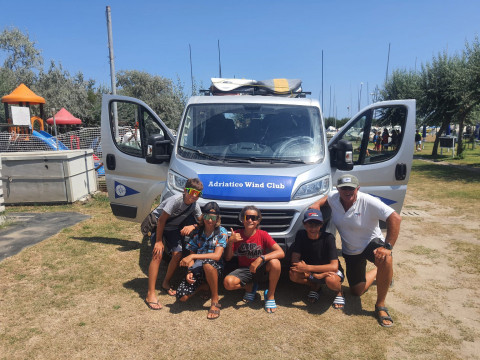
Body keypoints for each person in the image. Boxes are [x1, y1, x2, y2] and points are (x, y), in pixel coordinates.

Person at [310, 174, 401, 327]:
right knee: (356, 291)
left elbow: (395, 218)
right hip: (351, 250)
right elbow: (325, 198)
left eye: (351, 188)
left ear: (358, 188)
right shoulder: (333, 197)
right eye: (344, 188)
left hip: (371, 243)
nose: (348, 191)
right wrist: (316, 205)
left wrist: (387, 247)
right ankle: (382, 273)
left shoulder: (368, 201)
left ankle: (380, 305)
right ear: (338, 189)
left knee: (386, 259)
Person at [144, 178, 203, 310]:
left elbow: (201, 221)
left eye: (198, 194)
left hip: (172, 229)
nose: (194, 196)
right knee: (157, 254)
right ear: (185, 190)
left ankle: (166, 283)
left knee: (178, 254)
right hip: (159, 227)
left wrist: (193, 226)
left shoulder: (194, 205)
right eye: (192, 192)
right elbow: (161, 221)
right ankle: (150, 294)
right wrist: (159, 242)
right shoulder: (175, 200)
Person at [223, 205, 285, 313]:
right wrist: (231, 241)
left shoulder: (263, 234)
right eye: (247, 217)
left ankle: (270, 295)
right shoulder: (237, 235)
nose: (250, 220)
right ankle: (249, 287)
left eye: (254, 218)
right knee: (228, 283)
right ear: (243, 219)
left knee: (275, 263)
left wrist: (261, 258)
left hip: (261, 269)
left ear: (258, 221)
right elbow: (228, 258)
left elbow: (281, 252)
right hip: (245, 270)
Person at [176, 202, 227, 320]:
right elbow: (191, 254)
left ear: (217, 219)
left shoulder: (221, 231)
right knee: (182, 297)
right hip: (198, 267)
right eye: (207, 216)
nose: (210, 220)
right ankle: (204, 286)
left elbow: (217, 256)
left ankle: (215, 300)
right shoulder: (197, 232)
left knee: (208, 263)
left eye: (213, 217)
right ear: (203, 217)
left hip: (214, 268)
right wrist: (189, 271)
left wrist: (193, 257)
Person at [289, 209, 345, 309]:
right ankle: (315, 286)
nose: (313, 228)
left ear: (322, 224)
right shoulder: (301, 235)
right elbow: (295, 261)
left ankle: (339, 291)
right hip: (314, 272)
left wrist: (308, 269)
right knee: (293, 274)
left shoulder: (328, 238)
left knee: (331, 280)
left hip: (330, 272)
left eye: (317, 224)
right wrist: (315, 275)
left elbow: (334, 267)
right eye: (310, 224)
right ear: (304, 224)